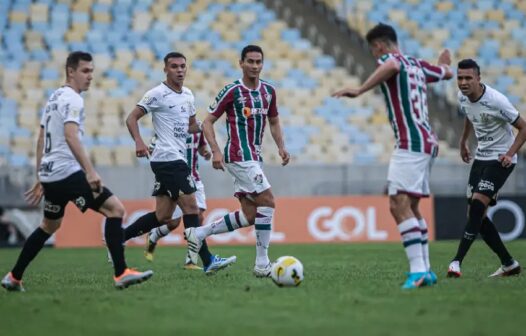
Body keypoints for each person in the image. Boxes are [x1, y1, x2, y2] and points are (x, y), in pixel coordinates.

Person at [1, 51, 153, 292]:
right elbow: (71, 136)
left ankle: (14, 277)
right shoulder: (72, 99)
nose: (90, 76)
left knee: (49, 226)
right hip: (67, 173)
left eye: (92, 71)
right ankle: (121, 272)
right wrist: (90, 171)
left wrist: (41, 175)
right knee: (115, 209)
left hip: (51, 175)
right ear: (70, 71)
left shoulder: (54, 98)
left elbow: (41, 138)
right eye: (85, 71)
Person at [332, 23, 453, 289]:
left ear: (379, 46)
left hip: (410, 143)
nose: (376, 57)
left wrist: (360, 89)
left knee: (397, 205)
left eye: (374, 51)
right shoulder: (418, 65)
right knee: (411, 206)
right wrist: (445, 66)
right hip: (427, 142)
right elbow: (446, 73)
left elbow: (391, 67)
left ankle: (418, 271)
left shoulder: (392, 59)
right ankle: (427, 270)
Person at [123, 51, 236, 274]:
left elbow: (191, 126)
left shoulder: (188, 95)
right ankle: (208, 260)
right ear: (165, 69)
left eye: (183, 66)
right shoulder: (157, 93)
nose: (180, 70)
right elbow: (131, 117)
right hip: (168, 159)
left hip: (174, 159)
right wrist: (139, 141)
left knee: (163, 216)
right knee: (192, 208)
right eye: (174, 66)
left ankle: (119, 238)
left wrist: (211, 124)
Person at [185, 45, 290, 278]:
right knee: (269, 201)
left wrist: (282, 147)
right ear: (241, 63)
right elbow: (208, 121)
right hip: (238, 156)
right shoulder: (232, 91)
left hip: (254, 158)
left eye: (258, 62)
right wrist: (215, 151)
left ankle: (199, 233)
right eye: (250, 61)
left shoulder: (269, 91)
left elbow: (273, 121)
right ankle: (262, 264)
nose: (254, 66)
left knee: (251, 215)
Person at [447, 59, 525, 278]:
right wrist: (463, 141)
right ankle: (509, 263)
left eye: (468, 78)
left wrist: (510, 154)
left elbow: (523, 127)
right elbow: (470, 116)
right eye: (460, 78)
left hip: (500, 159)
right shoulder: (462, 97)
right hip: (480, 158)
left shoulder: (497, 101)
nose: (463, 82)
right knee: (475, 215)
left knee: (478, 207)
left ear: (478, 79)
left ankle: (456, 261)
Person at [144, 131, 211, 271]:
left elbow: (201, 146)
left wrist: (205, 152)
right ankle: (154, 235)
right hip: (177, 177)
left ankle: (191, 259)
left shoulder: (197, 128)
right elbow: (152, 148)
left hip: (195, 179)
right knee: (172, 222)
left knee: (198, 217)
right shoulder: (170, 126)